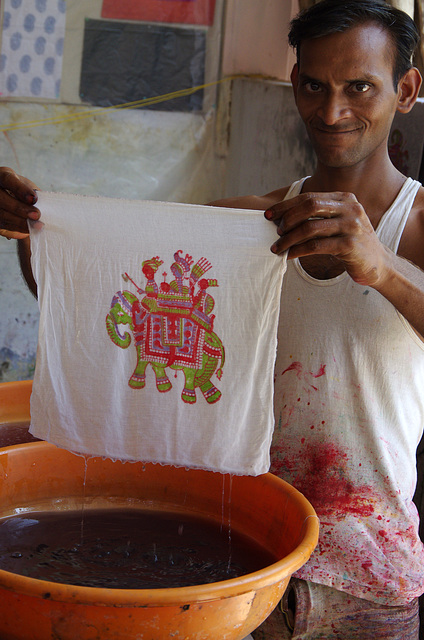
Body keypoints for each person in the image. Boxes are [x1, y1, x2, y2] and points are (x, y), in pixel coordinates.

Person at [1, 0, 424, 637]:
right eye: (314, 85)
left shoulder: (414, 229)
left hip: (370, 577)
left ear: (407, 90)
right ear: (295, 85)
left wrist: (381, 267)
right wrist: (34, 235)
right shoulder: (249, 228)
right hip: (242, 558)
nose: (332, 111)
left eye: (359, 86)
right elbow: (95, 299)